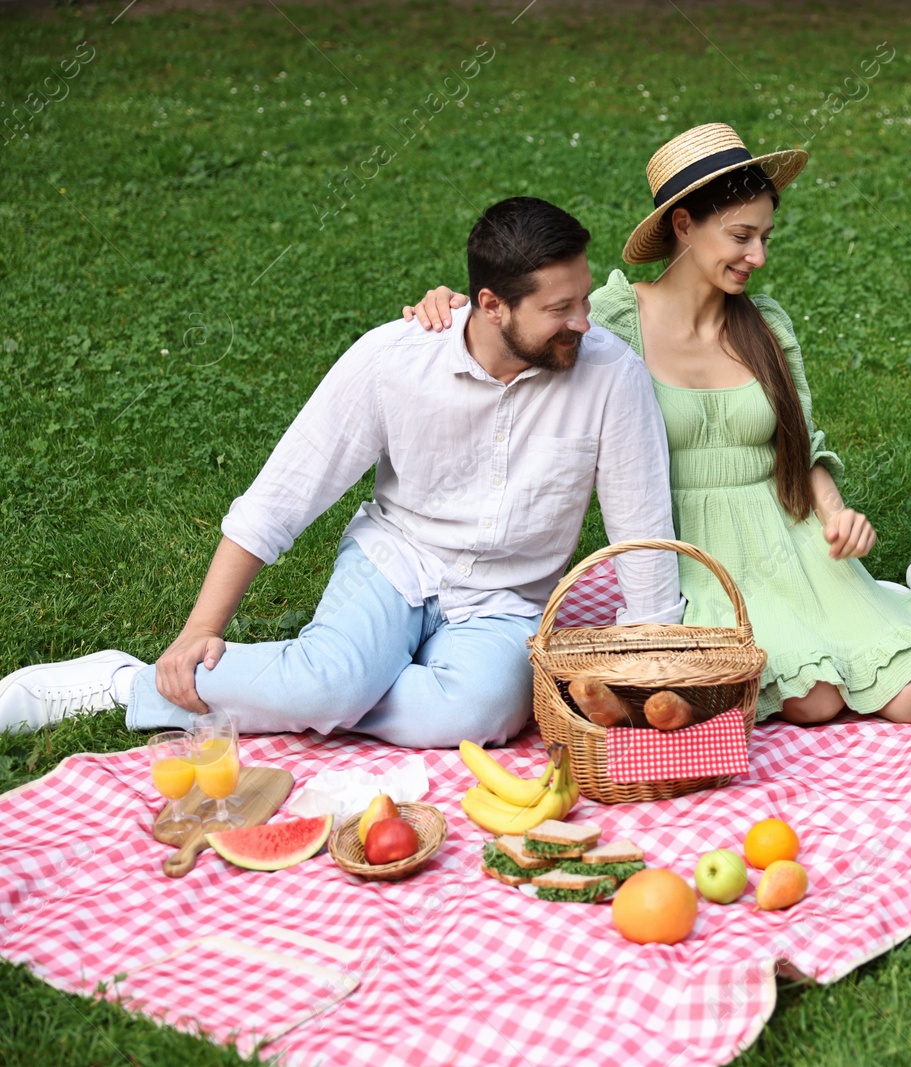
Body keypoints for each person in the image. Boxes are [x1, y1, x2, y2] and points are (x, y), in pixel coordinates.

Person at [0, 197, 681, 747]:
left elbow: (641, 524)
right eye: (560, 309)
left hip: (506, 599)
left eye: (583, 299)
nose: (584, 323)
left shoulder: (611, 377)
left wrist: (657, 670)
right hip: (396, 560)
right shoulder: (394, 359)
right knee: (333, 684)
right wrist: (197, 629)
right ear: (490, 304)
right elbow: (282, 496)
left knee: (479, 717)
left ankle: (324, 684)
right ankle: (130, 682)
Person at [404, 123, 911, 726]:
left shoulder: (765, 325)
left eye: (765, 237)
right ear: (683, 225)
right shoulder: (612, 319)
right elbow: (523, 335)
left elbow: (804, 445)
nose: (757, 257)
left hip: (790, 539)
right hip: (689, 550)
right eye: (741, 236)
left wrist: (836, 513)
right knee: (812, 700)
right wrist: (456, 311)